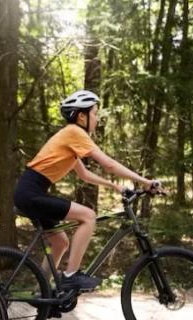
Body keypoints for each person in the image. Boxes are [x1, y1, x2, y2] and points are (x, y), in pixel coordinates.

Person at [14, 89, 164, 291]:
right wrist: (145, 181)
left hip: (31, 192)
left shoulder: (70, 138)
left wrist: (114, 186)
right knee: (88, 216)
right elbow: (108, 164)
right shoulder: (74, 132)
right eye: (94, 113)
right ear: (81, 116)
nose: (97, 119)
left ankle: (40, 289)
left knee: (60, 243)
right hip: (31, 193)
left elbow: (85, 175)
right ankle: (71, 275)